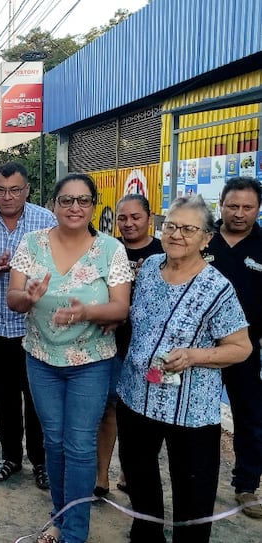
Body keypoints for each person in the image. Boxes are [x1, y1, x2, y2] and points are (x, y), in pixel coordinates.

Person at [117, 195, 251, 543]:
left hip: (190, 410)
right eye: (171, 226)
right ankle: (146, 536)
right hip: (137, 397)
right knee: (140, 478)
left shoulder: (216, 288)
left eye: (189, 229)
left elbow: (241, 348)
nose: (177, 235)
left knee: (192, 494)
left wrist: (194, 356)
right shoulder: (148, 268)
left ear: (207, 238)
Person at [7, 173, 132, 543]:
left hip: (91, 363)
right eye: (66, 200)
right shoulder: (31, 244)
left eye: (83, 201)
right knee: (54, 443)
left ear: (93, 206)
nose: (74, 207)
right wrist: (28, 297)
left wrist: (86, 312)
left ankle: (74, 532)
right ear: (53, 205)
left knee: (79, 446)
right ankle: (60, 518)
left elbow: (120, 308)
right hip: (41, 358)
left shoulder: (110, 249)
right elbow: (13, 300)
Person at [0, 161, 55, 489]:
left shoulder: (45, 221)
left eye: (15, 190)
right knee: (4, 397)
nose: (7, 197)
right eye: (1, 190)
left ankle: (41, 461)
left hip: (35, 327)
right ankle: (10, 457)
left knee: (37, 398)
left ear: (27, 190)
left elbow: (56, 267)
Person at [94, 194, 162, 497]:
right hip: (112, 344)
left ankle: (128, 472)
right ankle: (101, 477)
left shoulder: (163, 252)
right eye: (122, 218)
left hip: (151, 350)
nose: (129, 223)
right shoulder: (107, 250)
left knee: (142, 415)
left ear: (149, 217)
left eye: (135, 217)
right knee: (109, 410)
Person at [204, 177, 262, 519]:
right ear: (221, 205)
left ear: (257, 209)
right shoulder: (202, 238)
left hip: (245, 349)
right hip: (199, 350)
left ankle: (246, 486)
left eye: (248, 207)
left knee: (250, 417)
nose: (239, 214)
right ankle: (201, 480)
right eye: (233, 206)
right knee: (199, 420)